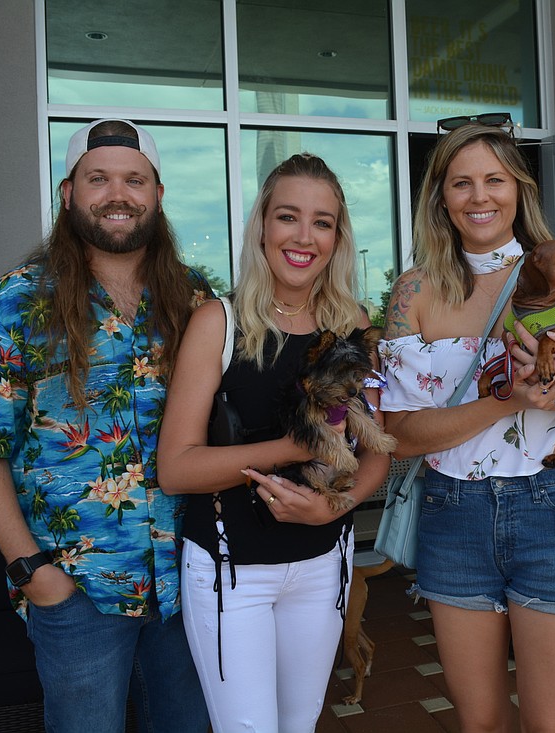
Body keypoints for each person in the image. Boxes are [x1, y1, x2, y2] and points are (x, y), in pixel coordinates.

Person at [379, 119, 555, 732]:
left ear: (519, 190)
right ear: (440, 197)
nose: (479, 196)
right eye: (461, 183)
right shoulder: (413, 292)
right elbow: (398, 435)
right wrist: (509, 402)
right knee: (480, 724)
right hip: (453, 516)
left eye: (495, 180)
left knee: (551, 726)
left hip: (554, 510)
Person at [0, 119, 212, 733]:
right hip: (77, 588)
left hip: (187, 579)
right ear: (68, 194)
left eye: (135, 180)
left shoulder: (194, 300)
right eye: (98, 179)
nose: (118, 195)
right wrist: (32, 572)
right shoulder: (14, 302)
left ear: (158, 196)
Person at [155, 153, 391, 732]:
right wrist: (293, 449)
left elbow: (377, 452)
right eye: (288, 216)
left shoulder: (353, 325)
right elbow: (176, 469)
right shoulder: (219, 322)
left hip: (323, 563)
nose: (304, 237)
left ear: (338, 238)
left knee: (299, 724)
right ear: (262, 225)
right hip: (234, 571)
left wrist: (335, 505)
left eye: (322, 222)